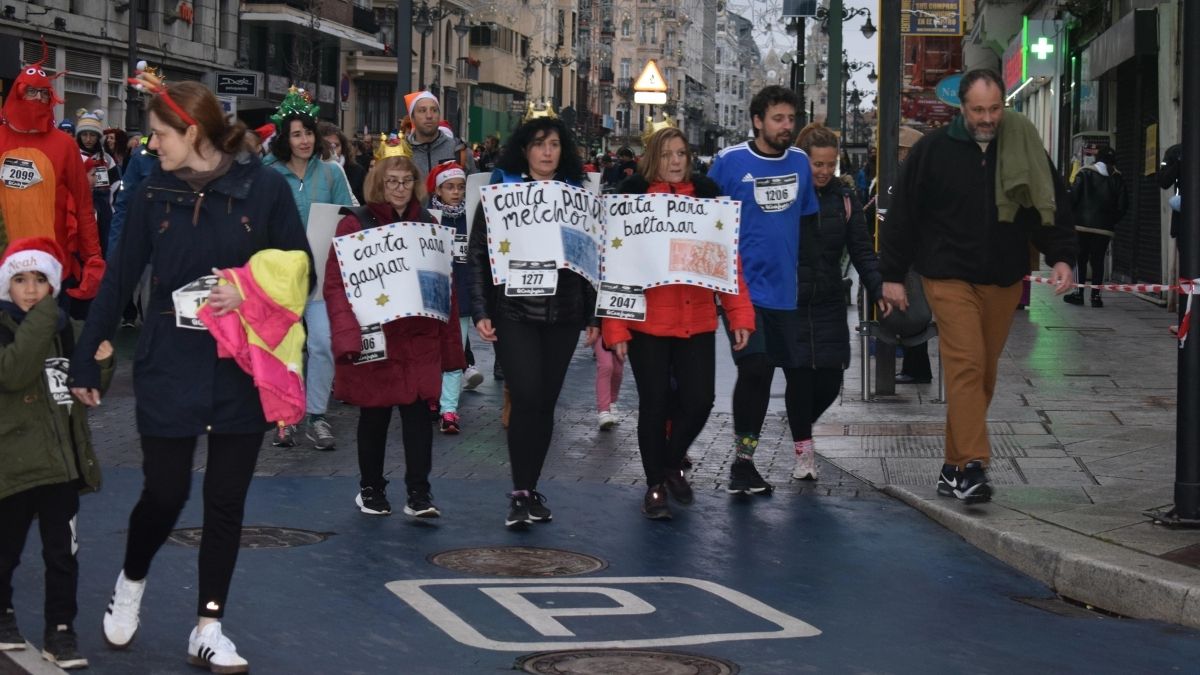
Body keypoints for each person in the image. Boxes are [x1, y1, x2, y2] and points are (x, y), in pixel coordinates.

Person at [67, 76, 311, 673]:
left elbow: (300, 266)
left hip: (240, 366)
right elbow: (119, 278)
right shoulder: (151, 192)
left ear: (192, 131)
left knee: (225, 501)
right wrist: (87, 355)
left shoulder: (265, 189)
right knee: (166, 493)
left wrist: (247, 289)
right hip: (169, 362)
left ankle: (209, 625)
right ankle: (132, 579)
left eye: (158, 134)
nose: (152, 145)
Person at [879, 69, 1076, 504]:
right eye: (978, 110)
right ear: (961, 108)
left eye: (994, 109)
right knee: (966, 365)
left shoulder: (1022, 142)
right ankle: (972, 466)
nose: (987, 118)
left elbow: (1048, 203)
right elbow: (903, 215)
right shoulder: (933, 151)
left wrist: (1062, 255)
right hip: (947, 275)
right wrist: (891, 275)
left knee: (983, 374)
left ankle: (950, 468)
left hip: (1003, 277)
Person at [604, 126, 755, 519]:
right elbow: (617, 268)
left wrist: (740, 314)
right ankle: (655, 484)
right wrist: (615, 327)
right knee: (653, 405)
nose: (675, 161)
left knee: (700, 398)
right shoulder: (633, 202)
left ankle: (670, 463)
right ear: (654, 157)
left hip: (698, 319)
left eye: (682, 154)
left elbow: (729, 264)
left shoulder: (709, 202)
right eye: (668, 153)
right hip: (647, 323)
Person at [467, 112, 599, 528]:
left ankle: (530, 486)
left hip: (564, 313)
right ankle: (520, 491)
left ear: (564, 152)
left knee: (544, 403)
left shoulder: (579, 195)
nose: (547, 151)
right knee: (524, 397)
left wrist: (594, 315)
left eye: (555, 144)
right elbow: (478, 253)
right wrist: (481, 308)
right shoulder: (501, 192)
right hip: (515, 311)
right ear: (524, 150)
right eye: (539, 143)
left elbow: (594, 257)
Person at [325, 140, 464, 518]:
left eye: (406, 180)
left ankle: (419, 493)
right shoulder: (354, 223)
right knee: (374, 416)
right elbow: (336, 285)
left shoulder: (429, 225)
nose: (399, 187)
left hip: (417, 338)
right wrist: (347, 338)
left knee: (419, 419)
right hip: (378, 337)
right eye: (392, 181)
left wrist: (452, 346)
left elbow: (444, 289)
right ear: (379, 183)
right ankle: (371, 489)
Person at [0, 238, 113, 670]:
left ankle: (61, 631)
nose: (30, 290)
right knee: (5, 550)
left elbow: (87, 385)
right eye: (20, 280)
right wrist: (47, 315)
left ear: (54, 283)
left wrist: (101, 364)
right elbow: (13, 372)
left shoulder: (67, 329)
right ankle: (2, 612)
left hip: (61, 464)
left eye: (41, 280)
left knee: (61, 555)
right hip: (12, 465)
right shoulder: (16, 324)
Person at [705, 84, 820, 496]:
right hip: (740, 291)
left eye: (791, 119)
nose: (787, 126)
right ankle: (742, 463)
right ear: (757, 121)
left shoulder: (801, 164)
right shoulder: (730, 162)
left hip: (784, 294)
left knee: (771, 373)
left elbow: (806, 223)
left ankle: (746, 463)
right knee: (754, 369)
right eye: (778, 119)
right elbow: (704, 216)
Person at [794, 123, 889, 480]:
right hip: (794, 300)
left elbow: (862, 251)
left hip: (831, 298)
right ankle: (803, 450)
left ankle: (799, 421)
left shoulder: (845, 199)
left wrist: (878, 287)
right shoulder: (789, 196)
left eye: (829, 164)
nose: (822, 171)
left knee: (831, 380)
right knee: (800, 380)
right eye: (816, 164)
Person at [262, 88, 354, 451]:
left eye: (309, 132)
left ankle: (317, 414)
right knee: (284, 347)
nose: (304, 140)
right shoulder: (266, 174)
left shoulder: (331, 174)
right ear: (284, 137)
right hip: (279, 275)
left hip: (322, 275)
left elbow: (348, 217)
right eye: (296, 133)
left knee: (322, 343)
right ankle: (284, 418)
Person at [0, 46, 104, 313]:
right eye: (30, 91)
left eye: (43, 93)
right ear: (17, 93)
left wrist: (93, 258)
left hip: (50, 267)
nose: (36, 98)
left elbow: (82, 205)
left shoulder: (64, 145)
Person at [426, 161, 483, 434]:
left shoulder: (471, 217)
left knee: (455, 354)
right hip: (432, 297)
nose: (457, 192)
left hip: (461, 297)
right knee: (431, 352)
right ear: (437, 190)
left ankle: (449, 409)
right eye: (450, 187)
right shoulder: (426, 217)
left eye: (461, 187)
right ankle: (432, 398)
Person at [891, 126, 934, 385]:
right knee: (913, 308)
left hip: (914, 254)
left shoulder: (909, 174)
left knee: (913, 309)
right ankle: (915, 366)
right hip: (917, 252)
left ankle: (916, 368)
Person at [1065, 145, 1127, 308]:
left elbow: (1073, 197)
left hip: (1082, 226)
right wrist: (1110, 220)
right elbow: (1123, 205)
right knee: (1098, 261)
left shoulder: (1084, 173)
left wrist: (1072, 217)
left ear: (1096, 159)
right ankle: (1096, 297)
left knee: (1080, 259)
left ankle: (1078, 294)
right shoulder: (1117, 178)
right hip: (1104, 229)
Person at [76, 109, 122, 259]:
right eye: (84, 134)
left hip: (104, 212)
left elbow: (116, 186)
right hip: (80, 209)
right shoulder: (73, 157)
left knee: (102, 248)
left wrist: (112, 210)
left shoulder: (107, 159)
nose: (88, 139)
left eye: (92, 135)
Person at [403, 91, 476, 175]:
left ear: (439, 115)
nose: (429, 115)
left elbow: (472, 187)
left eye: (434, 110)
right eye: (422, 111)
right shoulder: (401, 152)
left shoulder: (459, 151)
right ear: (412, 118)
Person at [319, 121, 366, 205]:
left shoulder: (357, 171)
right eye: (327, 145)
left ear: (343, 147)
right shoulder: (310, 169)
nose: (332, 149)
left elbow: (363, 204)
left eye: (336, 145)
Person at [594, 336, 624, 430]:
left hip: (621, 332)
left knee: (617, 371)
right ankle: (603, 410)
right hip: (601, 330)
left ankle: (612, 403)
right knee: (606, 366)